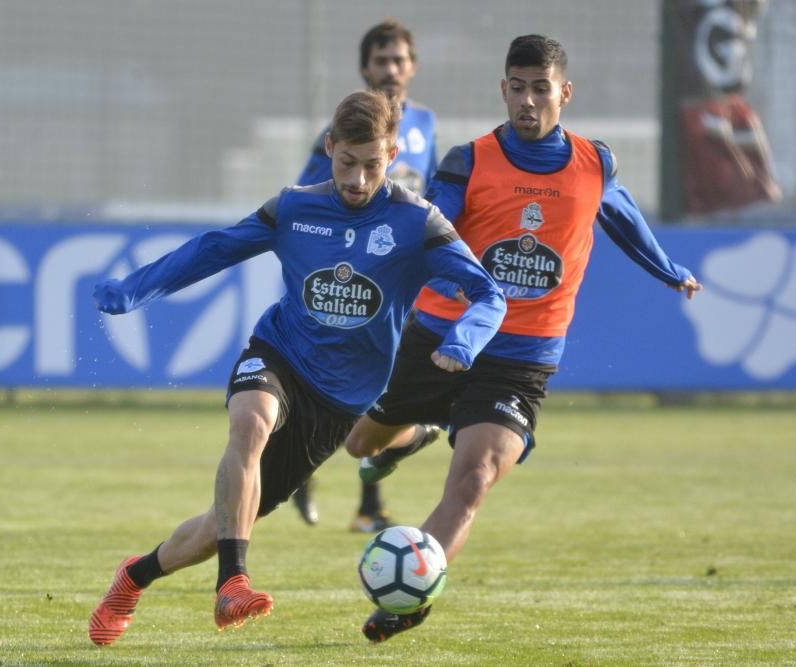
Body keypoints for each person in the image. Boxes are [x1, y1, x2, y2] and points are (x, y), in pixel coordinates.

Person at [86, 89, 506, 646]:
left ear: (393, 154)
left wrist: (466, 341)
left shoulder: (418, 222)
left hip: (338, 401)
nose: (357, 180)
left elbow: (488, 294)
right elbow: (215, 247)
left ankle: (132, 578)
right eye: (347, 163)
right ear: (330, 147)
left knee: (218, 526)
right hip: (279, 351)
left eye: (373, 165)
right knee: (250, 423)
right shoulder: (293, 207)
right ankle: (233, 582)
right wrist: (135, 290)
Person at [343, 35, 703, 642]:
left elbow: (623, 217)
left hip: (522, 357)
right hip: (440, 334)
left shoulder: (594, 163)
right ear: (504, 90)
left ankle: (410, 598)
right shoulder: (470, 160)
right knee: (360, 445)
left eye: (541, 88)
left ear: (564, 93)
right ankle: (414, 435)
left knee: (474, 478)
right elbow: (429, 225)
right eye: (518, 87)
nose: (528, 100)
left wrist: (668, 269)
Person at [293, 18, 441, 533]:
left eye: (399, 60)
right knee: (344, 389)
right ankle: (300, 462)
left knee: (383, 391)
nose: (391, 69)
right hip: (348, 282)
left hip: (398, 282)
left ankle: (366, 506)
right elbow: (306, 195)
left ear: (413, 67)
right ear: (365, 68)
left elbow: (435, 195)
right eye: (381, 60)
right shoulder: (343, 133)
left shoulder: (424, 124)